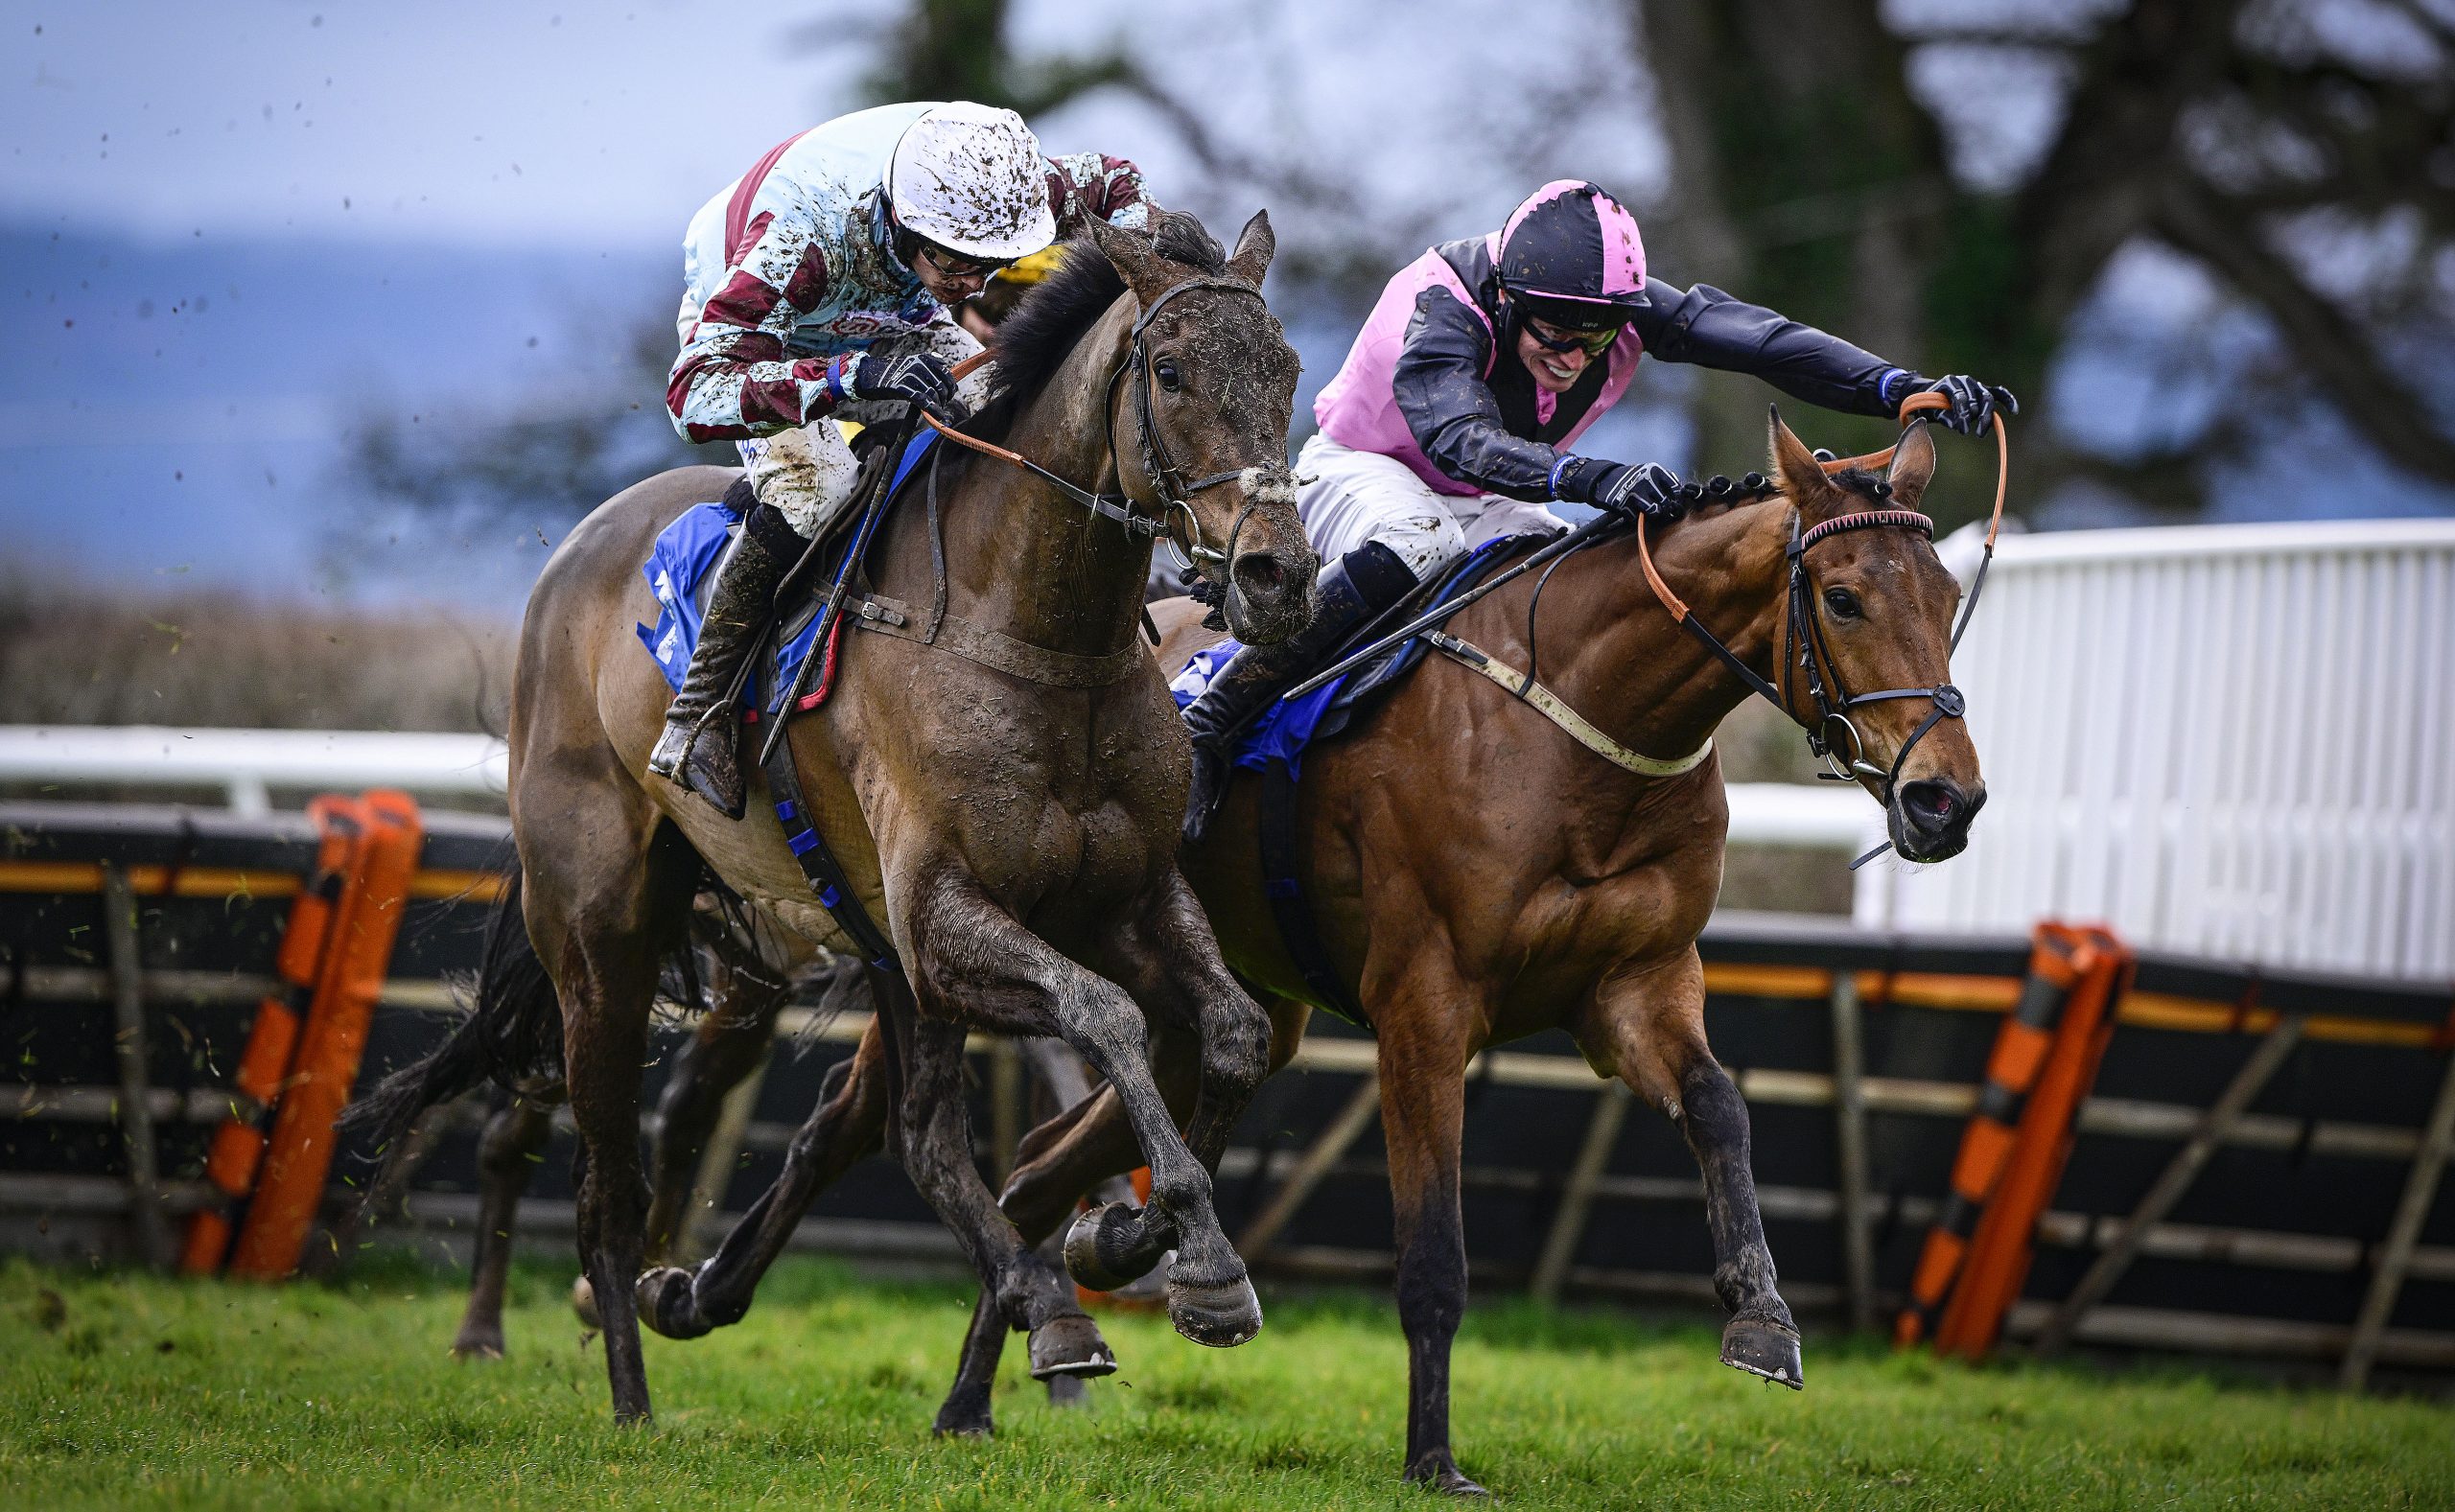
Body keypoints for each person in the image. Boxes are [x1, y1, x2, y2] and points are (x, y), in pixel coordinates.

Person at [1176, 178, 2014, 841]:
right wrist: (1592, 477)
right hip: (1366, 472)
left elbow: (1760, 339)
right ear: (1507, 296)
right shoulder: (1439, 306)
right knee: (1419, 536)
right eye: (1555, 332)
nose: (1574, 356)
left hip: (1491, 496)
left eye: (1597, 336)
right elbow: (1460, 442)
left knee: (1578, 587)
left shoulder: (1603, 311)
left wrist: (1897, 387)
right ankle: (1215, 726)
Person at [652, 101, 1155, 816]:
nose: (978, 287)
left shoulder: (1006, 186)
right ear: (903, 221)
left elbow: (1117, 181)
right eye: (959, 264)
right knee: (816, 485)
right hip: (777, 328)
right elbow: (692, 395)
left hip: (897, 312)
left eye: (992, 263)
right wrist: (847, 378)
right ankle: (698, 711)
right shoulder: (796, 241)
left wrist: (1150, 256)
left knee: (1015, 412)